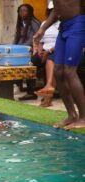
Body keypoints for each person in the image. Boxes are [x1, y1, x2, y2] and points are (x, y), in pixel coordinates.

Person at [34, 0, 85, 129]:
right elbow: (56, 11)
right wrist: (42, 29)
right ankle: (71, 115)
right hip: (63, 27)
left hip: (78, 24)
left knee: (69, 71)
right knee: (58, 71)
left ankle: (83, 118)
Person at [32, 2, 60, 107]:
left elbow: (62, 42)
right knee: (31, 61)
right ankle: (30, 91)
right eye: (51, 11)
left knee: (51, 60)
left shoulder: (62, 23)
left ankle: (48, 94)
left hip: (56, 51)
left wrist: (48, 52)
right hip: (44, 50)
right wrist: (39, 51)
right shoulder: (44, 23)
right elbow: (41, 41)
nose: (53, 13)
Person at [13, 4, 41, 101]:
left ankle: (30, 92)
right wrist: (13, 48)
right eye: (20, 11)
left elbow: (35, 38)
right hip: (21, 50)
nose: (22, 13)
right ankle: (16, 84)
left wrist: (20, 48)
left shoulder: (34, 23)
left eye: (25, 11)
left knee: (29, 62)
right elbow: (16, 39)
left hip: (32, 51)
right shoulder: (21, 23)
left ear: (30, 12)